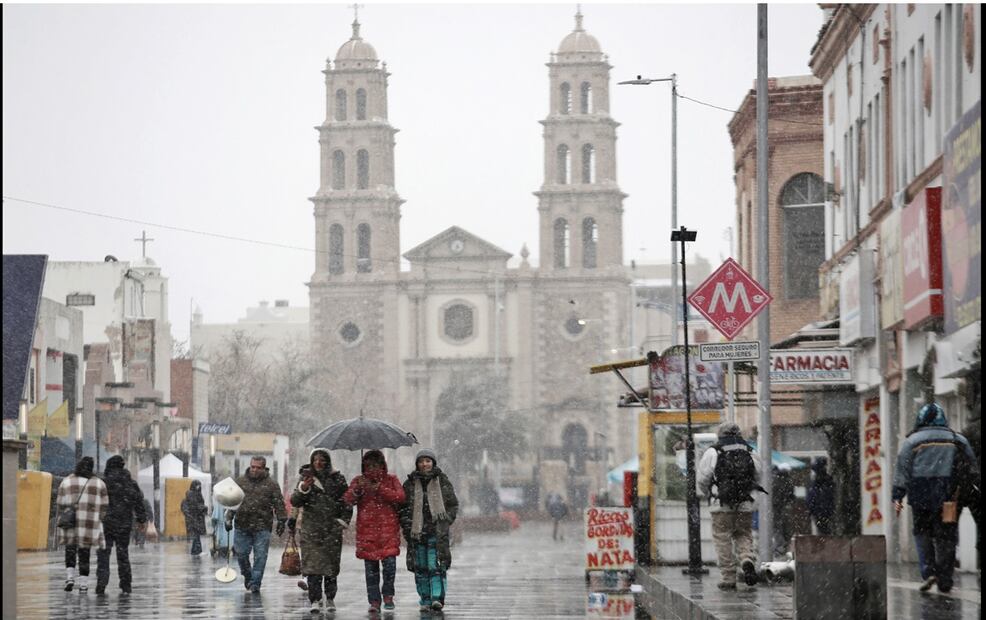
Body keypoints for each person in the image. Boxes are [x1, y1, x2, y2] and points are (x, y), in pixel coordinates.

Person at [892, 402, 978, 594]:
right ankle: (945, 578)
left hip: (920, 496)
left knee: (922, 533)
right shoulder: (957, 440)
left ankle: (928, 570)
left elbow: (902, 470)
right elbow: (972, 468)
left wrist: (898, 496)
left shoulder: (912, 441)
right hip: (949, 498)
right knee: (946, 536)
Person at [697, 422, 763, 591]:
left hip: (721, 503)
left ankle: (728, 577)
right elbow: (758, 475)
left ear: (720, 434)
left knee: (722, 537)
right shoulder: (750, 451)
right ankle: (747, 559)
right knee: (743, 534)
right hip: (745, 502)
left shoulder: (713, 451)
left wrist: (709, 493)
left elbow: (703, 478)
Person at [343, 450, 406, 613]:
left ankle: (388, 595)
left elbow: (400, 497)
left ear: (382, 465)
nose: (372, 468)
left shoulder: (391, 480)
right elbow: (348, 500)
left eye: (375, 464)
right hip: (367, 533)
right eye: (369, 465)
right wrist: (357, 489)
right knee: (371, 572)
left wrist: (380, 489)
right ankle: (374, 601)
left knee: (390, 566)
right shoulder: (359, 481)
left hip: (388, 532)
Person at [290, 449, 351, 614]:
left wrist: (342, 521)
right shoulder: (306, 478)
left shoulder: (338, 479)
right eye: (315, 459)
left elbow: (347, 502)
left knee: (331, 567)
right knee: (313, 569)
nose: (318, 463)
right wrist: (303, 488)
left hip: (332, 530)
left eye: (322, 459)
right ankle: (314, 599)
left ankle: (330, 598)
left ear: (328, 461)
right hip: (311, 530)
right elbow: (295, 500)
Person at [399, 449, 459, 613]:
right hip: (417, 534)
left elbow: (453, 504)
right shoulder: (410, 484)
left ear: (433, 462)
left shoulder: (442, 481)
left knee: (436, 566)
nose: (424, 464)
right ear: (417, 464)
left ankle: (436, 598)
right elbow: (403, 509)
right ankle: (425, 599)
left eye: (428, 461)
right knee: (421, 569)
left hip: (436, 533)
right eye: (421, 461)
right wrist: (407, 525)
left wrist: (446, 520)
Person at [224, 456, 288, 594]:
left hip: (262, 526)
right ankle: (248, 575)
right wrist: (229, 518)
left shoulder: (271, 484)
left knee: (260, 556)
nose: (254, 470)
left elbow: (279, 503)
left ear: (264, 468)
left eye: (258, 467)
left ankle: (255, 583)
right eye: (253, 466)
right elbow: (232, 502)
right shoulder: (240, 482)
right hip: (242, 524)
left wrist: (282, 520)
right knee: (241, 554)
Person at [56, 456, 109, 593]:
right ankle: (84, 584)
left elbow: (60, 503)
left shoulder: (66, 481)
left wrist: (67, 512)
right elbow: (104, 506)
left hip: (70, 522)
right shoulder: (99, 483)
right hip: (88, 524)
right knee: (84, 553)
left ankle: (70, 577)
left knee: (70, 550)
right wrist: (96, 517)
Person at [95, 455, 146, 595]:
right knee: (123, 554)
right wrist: (141, 519)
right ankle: (125, 584)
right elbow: (138, 502)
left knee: (103, 554)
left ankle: (102, 581)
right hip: (124, 524)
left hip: (106, 523)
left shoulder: (103, 483)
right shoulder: (130, 483)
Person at [805, 457, 836, 535]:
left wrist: (811, 510)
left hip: (822, 511)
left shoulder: (819, 483)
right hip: (824, 511)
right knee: (825, 532)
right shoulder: (826, 482)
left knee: (824, 532)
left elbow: (812, 497)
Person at [771, 466, 795, 556]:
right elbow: (791, 496)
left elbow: (774, 497)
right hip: (784, 508)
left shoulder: (775, 482)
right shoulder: (788, 482)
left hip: (777, 508)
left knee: (777, 529)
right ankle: (784, 547)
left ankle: (780, 547)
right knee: (785, 529)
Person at [181, 480, 209, 556]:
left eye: (199, 485)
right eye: (197, 485)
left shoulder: (196, 495)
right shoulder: (193, 495)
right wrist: (203, 508)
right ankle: (197, 551)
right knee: (196, 535)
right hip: (195, 518)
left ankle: (195, 551)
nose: (199, 487)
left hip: (195, 518)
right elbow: (195, 506)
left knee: (196, 535)